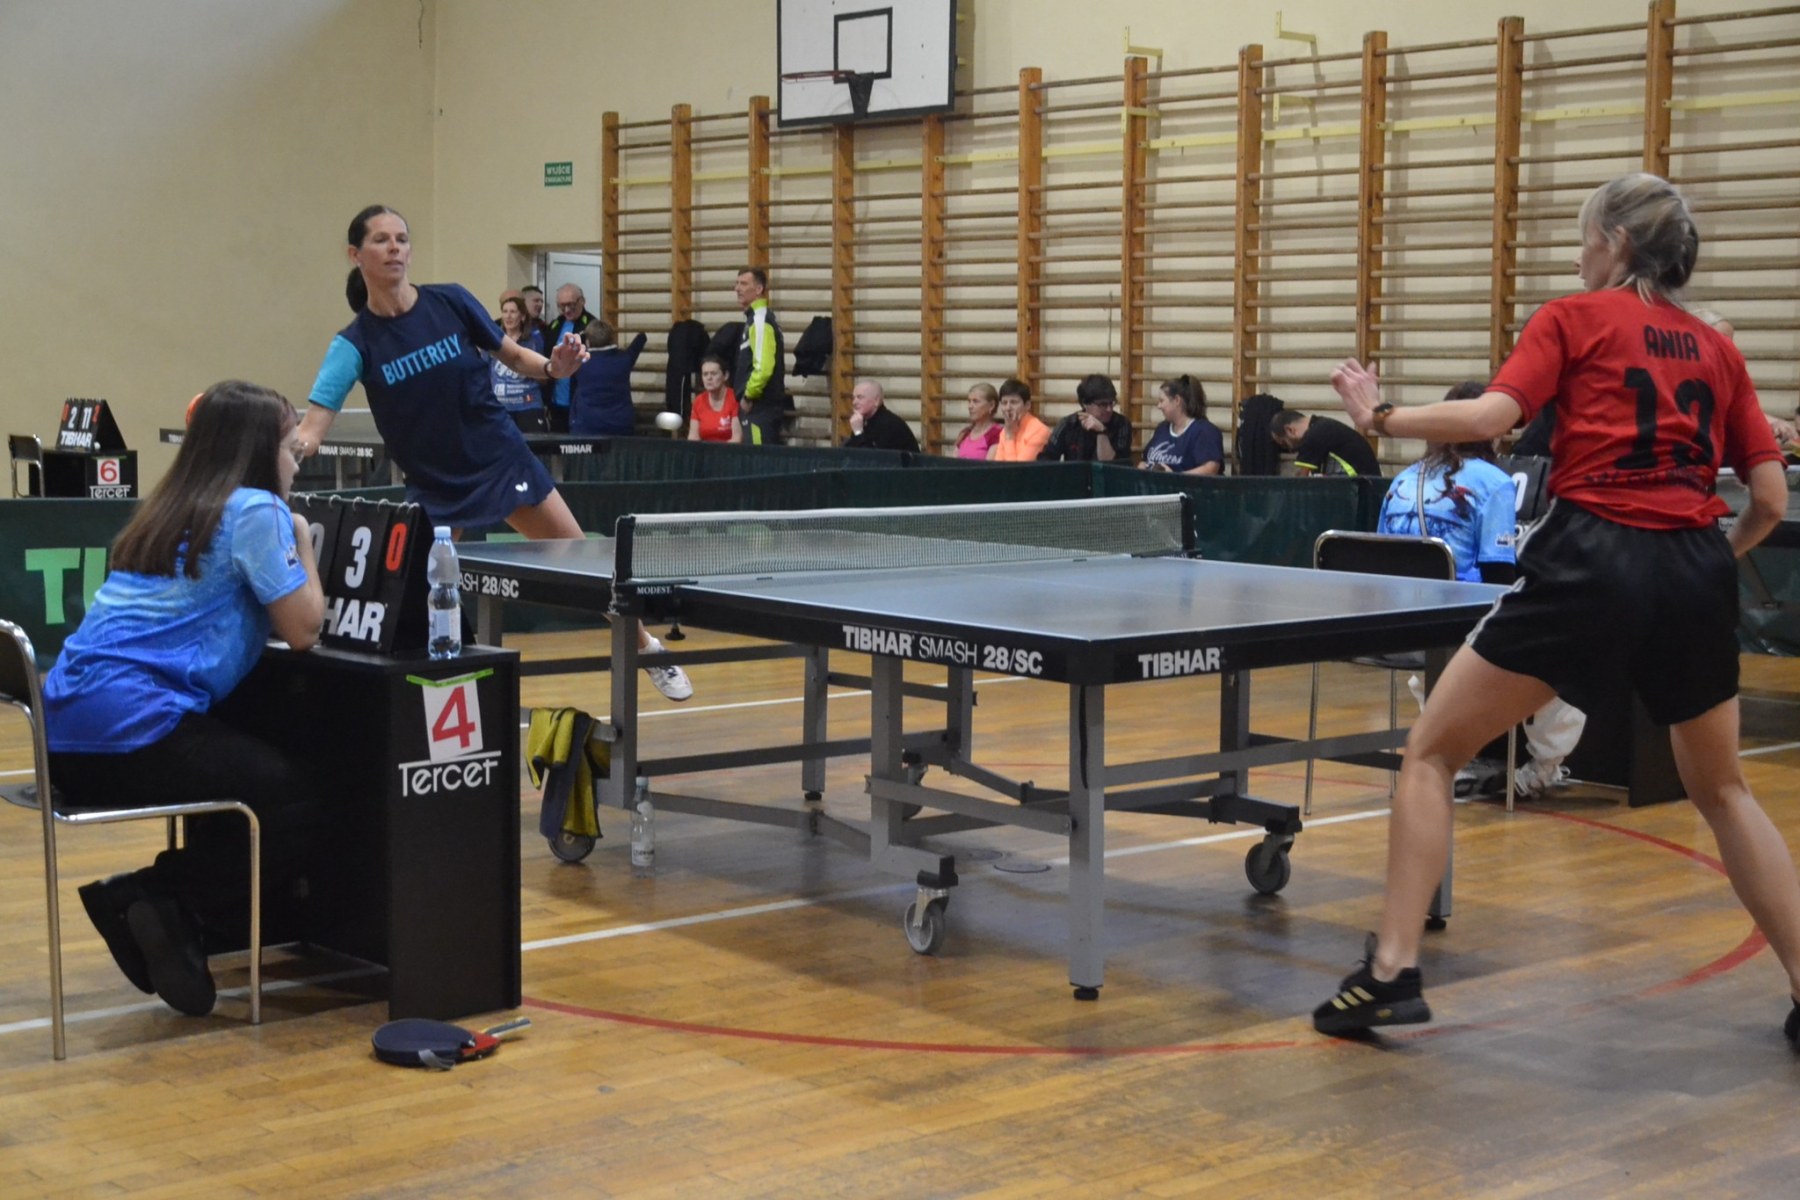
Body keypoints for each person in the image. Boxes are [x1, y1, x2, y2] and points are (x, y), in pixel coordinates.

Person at [1311, 173, 1800, 1051]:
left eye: (1584, 239)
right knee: (1724, 789)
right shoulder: (1718, 350)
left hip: (1594, 556)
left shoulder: (1573, 318)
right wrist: (1702, 565)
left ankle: (1390, 972)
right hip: (1694, 567)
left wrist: (1379, 414)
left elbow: (1491, 415)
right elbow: (1768, 500)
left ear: (1617, 242)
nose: (1578, 258)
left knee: (1432, 752)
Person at [300, 205, 691, 701]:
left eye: (401, 238)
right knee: (419, 598)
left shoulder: (450, 301)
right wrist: (281, 447)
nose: (394, 247)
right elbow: (313, 428)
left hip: (500, 459)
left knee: (585, 568)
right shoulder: (353, 344)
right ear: (355, 255)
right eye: (381, 240)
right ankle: (431, 697)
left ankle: (647, 648)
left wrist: (553, 368)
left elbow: (514, 356)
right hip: (436, 485)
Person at [44, 381, 326, 1016]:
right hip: (134, 733)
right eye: (290, 449)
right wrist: (302, 538)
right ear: (260, 451)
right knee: (294, 802)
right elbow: (304, 629)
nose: (295, 462)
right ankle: (149, 897)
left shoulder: (168, 507)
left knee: (246, 773)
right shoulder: (258, 510)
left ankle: (172, 916)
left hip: (61, 741)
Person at [1378, 381, 1587, 800]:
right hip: (1458, 630)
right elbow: (1497, 576)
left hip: (1395, 633)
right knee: (1569, 656)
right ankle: (1540, 772)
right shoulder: (1494, 482)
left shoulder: (1401, 479)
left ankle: (1445, 746)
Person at [732, 267, 787, 446]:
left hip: (760, 408)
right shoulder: (754, 319)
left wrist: (749, 396)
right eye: (737, 283)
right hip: (757, 409)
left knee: (758, 458)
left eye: (743, 284)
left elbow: (763, 368)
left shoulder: (760, 320)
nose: (737, 288)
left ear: (759, 289)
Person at [569, 320, 649, 437]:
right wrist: (642, 335)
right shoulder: (624, 360)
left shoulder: (579, 362)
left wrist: (581, 337)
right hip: (620, 425)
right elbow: (639, 342)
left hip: (586, 424)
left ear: (588, 341)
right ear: (612, 338)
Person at [1139, 375, 1224, 475]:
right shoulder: (1162, 428)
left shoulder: (1205, 431)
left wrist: (1175, 478)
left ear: (1177, 400)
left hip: (1185, 485)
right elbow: (1144, 460)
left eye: (1162, 401)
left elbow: (1211, 468)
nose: (1159, 406)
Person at [1039, 374, 1132, 464]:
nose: (1109, 409)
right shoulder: (1068, 425)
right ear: (1085, 404)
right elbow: (1046, 460)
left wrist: (1102, 432)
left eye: (1111, 403)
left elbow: (1115, 466)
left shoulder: (1122, 424)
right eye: (1102, 404)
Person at [490, 293, 547, 432]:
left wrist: (526, 367)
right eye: (505, 312)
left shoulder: (533, 340)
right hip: (500, 407)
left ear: (522, 316)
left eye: (513, 312)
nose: (508, 316)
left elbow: (543, 377)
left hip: (528, 405)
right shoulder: (493, 338)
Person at [542, 284, 595, 432]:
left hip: (581, 400)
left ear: (582, 301)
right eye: (561, 306)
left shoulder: (591, 325)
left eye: (570, 305)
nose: (566, 310)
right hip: (556, 399)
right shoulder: (555, 325)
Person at [1269, 409, 1381, 477]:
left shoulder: (1313, 436)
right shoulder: (1322, 425)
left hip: (1359, 488)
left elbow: (1300, 481)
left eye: (1285, 444)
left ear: (1290, 430)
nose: (1289, 450)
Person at [843, 379, 920, 452]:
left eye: (860, 397)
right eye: (853, 398)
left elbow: (872, 457)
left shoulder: (889, 424)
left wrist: (858, 432)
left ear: (876, 401)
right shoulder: (864, 421)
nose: (854, 402)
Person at [990, 377, 1051, 462]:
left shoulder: (1039, 431)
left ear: (1027, 405)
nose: (1008, 408)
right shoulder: (1006, 429)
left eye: (1014, 402)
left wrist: (1009, 437)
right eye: (1004, 403)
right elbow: (998, 465)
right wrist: (1008, 434)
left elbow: (1018, 468)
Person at [688, 355, 742, 443]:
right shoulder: (698, 401)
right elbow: (693, 438)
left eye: (713, 373)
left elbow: (737, 439)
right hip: (704, 450)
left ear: (725, 376)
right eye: (705, 374)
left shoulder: (735, 398)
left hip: (729, 450)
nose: (709, 378)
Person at [951, 383, 1002, 460]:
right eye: (969, 401)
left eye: (976, 401)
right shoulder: (965, 433)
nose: (970, 406)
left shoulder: (997, 434)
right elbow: (952, 462)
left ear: (991, 405)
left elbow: (989, 465)